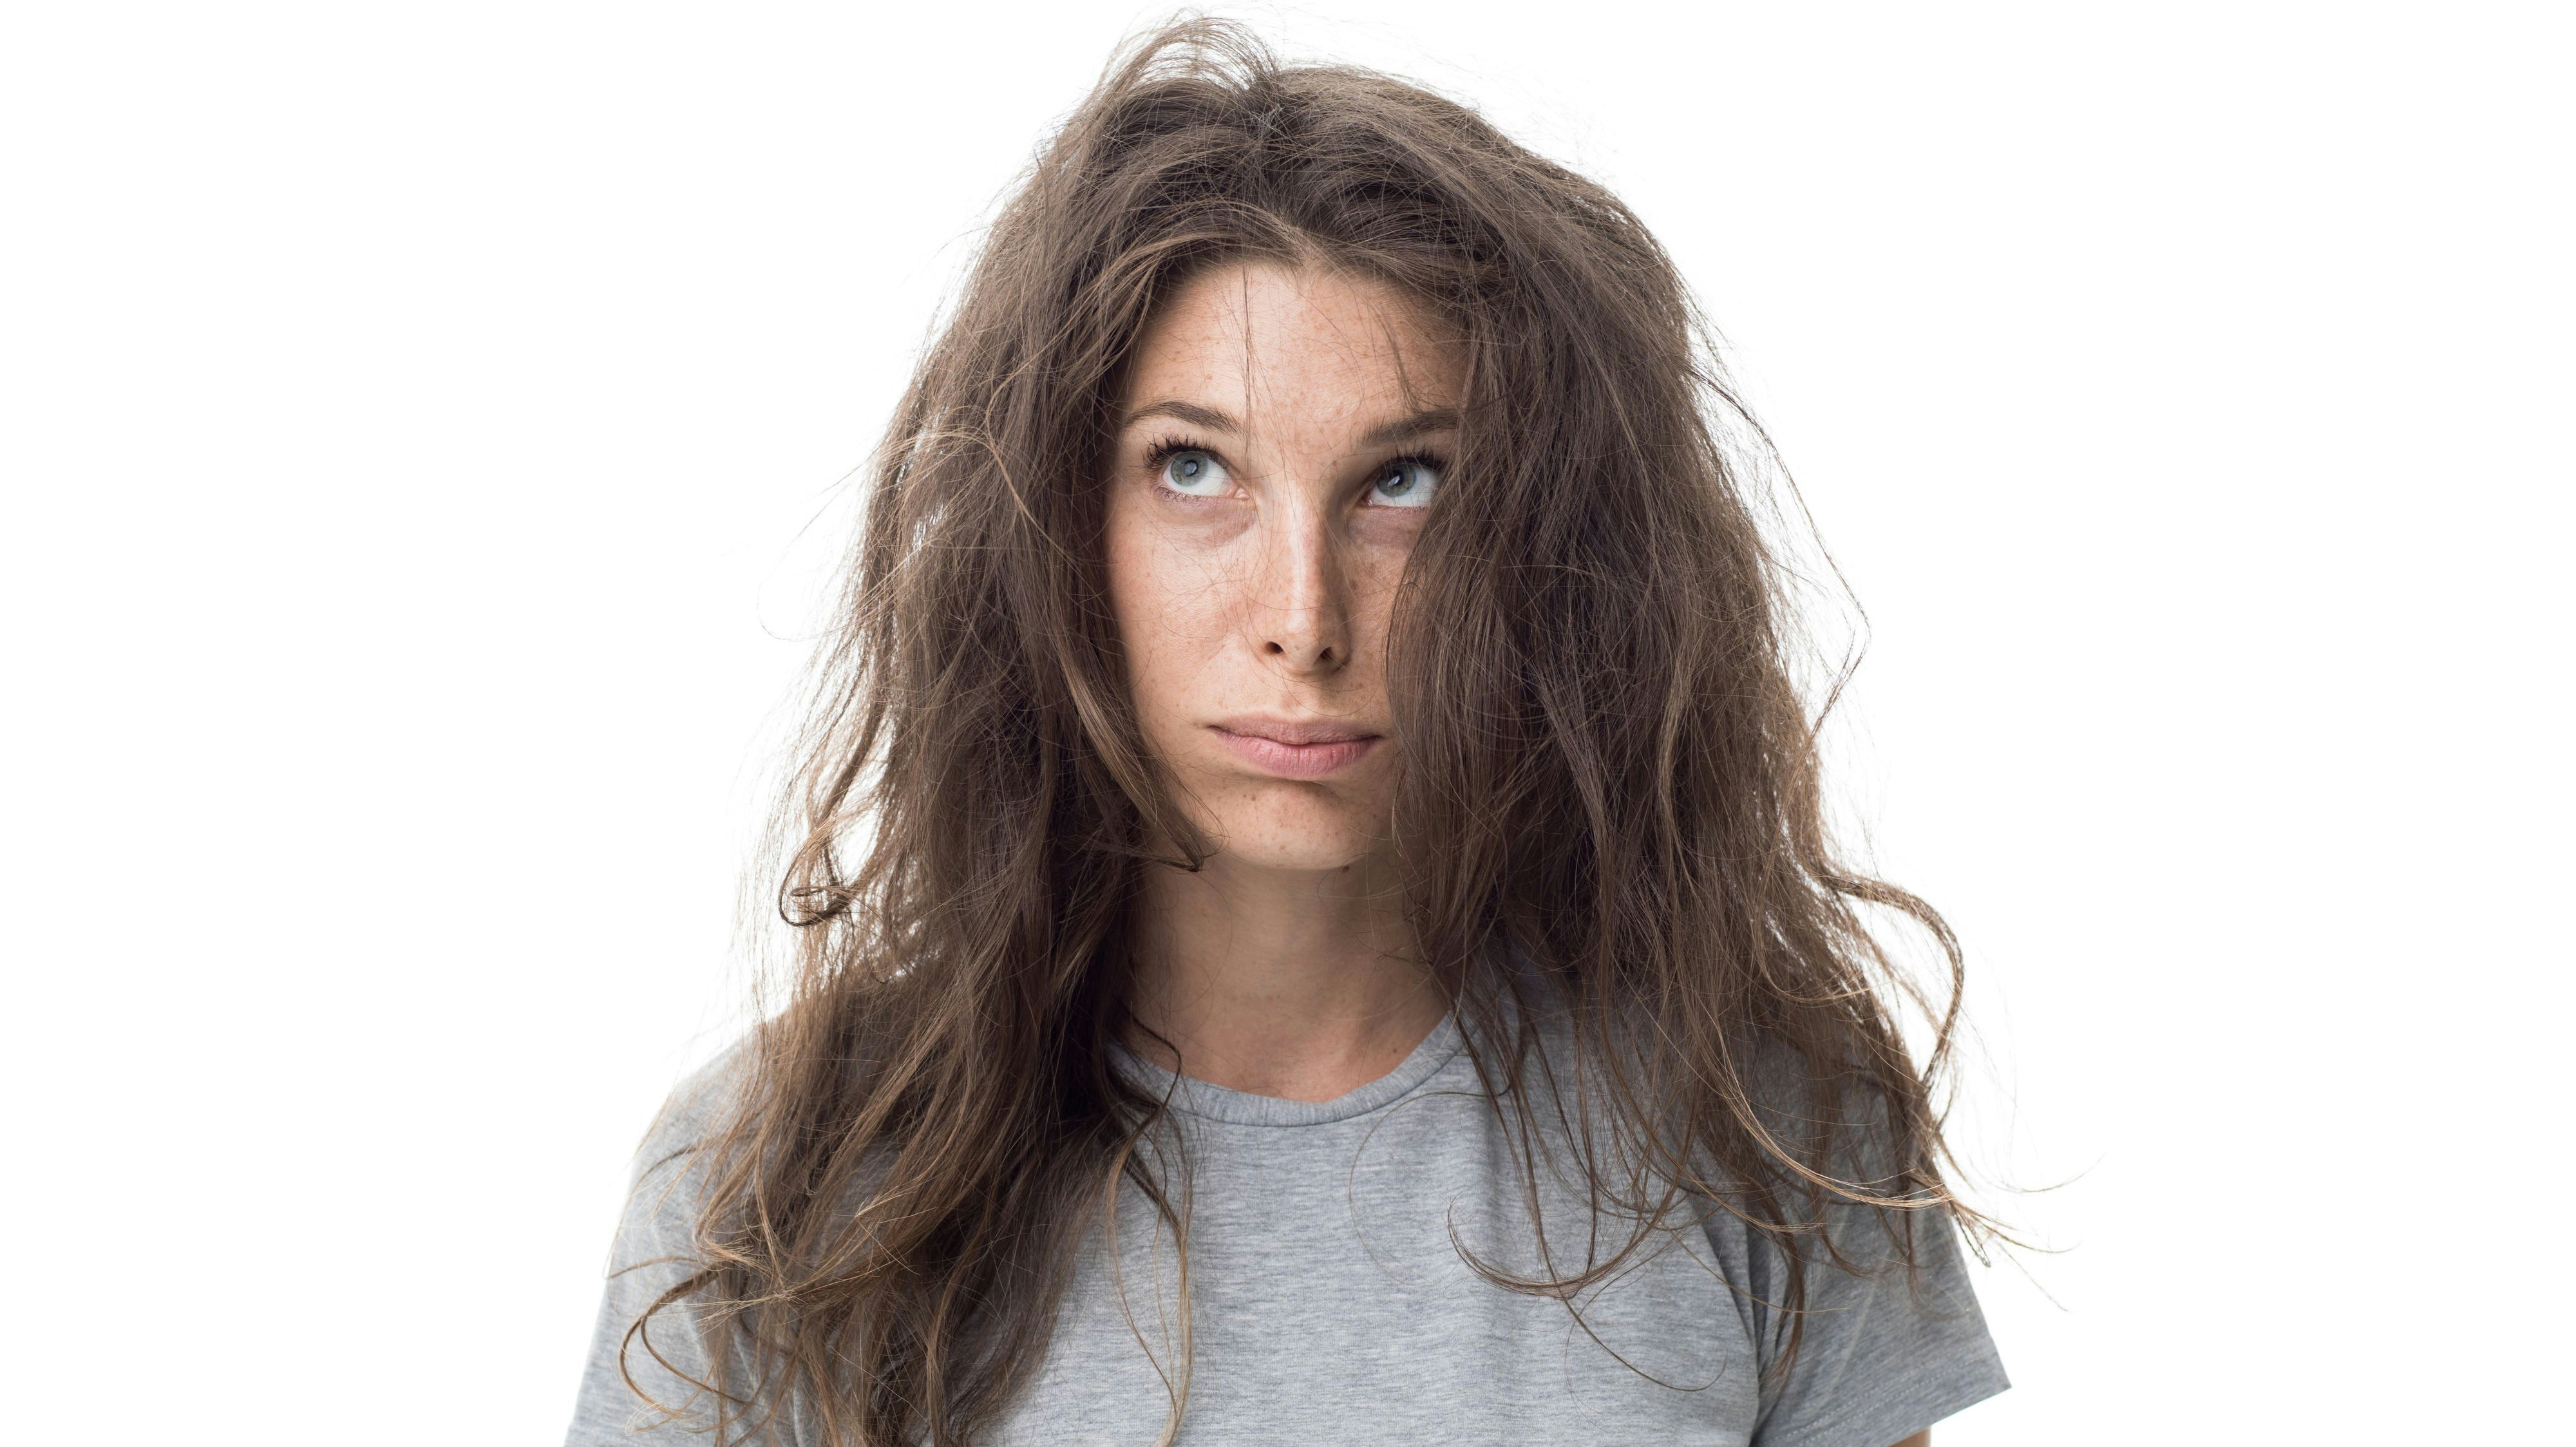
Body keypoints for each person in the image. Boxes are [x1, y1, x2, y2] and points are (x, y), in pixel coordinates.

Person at [567, 20, 2008, 1447]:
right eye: (1192, 467)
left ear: (1550, 543)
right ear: (1059, 526)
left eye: (1406, 482)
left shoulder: (1763, 1124)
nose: (1302, 619)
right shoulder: (770, 1171)